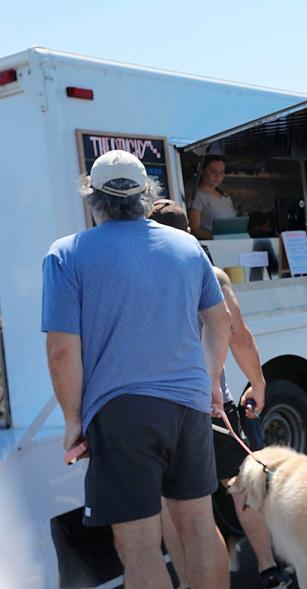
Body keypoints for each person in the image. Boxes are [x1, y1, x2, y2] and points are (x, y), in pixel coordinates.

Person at [42, 150, 232, 589]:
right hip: (188, 409)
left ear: (94, 200)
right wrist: (208, 382)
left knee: (141, 546)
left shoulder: (67, 254)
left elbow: (62, 353)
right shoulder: (187, 246)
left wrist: (73, 421)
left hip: (120, 413)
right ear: (146, 196)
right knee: (200, 527)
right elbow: (219, 323)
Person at [146, 200, 292, 589]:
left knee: (171, 504)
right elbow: (237, 335)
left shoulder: (137, 278)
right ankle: (268, 569)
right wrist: (258, 382)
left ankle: (191, 581)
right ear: (189, 235)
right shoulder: (209, 274)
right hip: (210, 404)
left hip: (157, 409)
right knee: (239, 484)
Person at [190, 156, 237, 240]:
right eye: (213, 171)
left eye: (221, 172)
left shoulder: (226, 197)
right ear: (203, 171)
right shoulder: (197, 196)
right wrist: (218, 238)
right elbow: (194, 229)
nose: (217, 176)